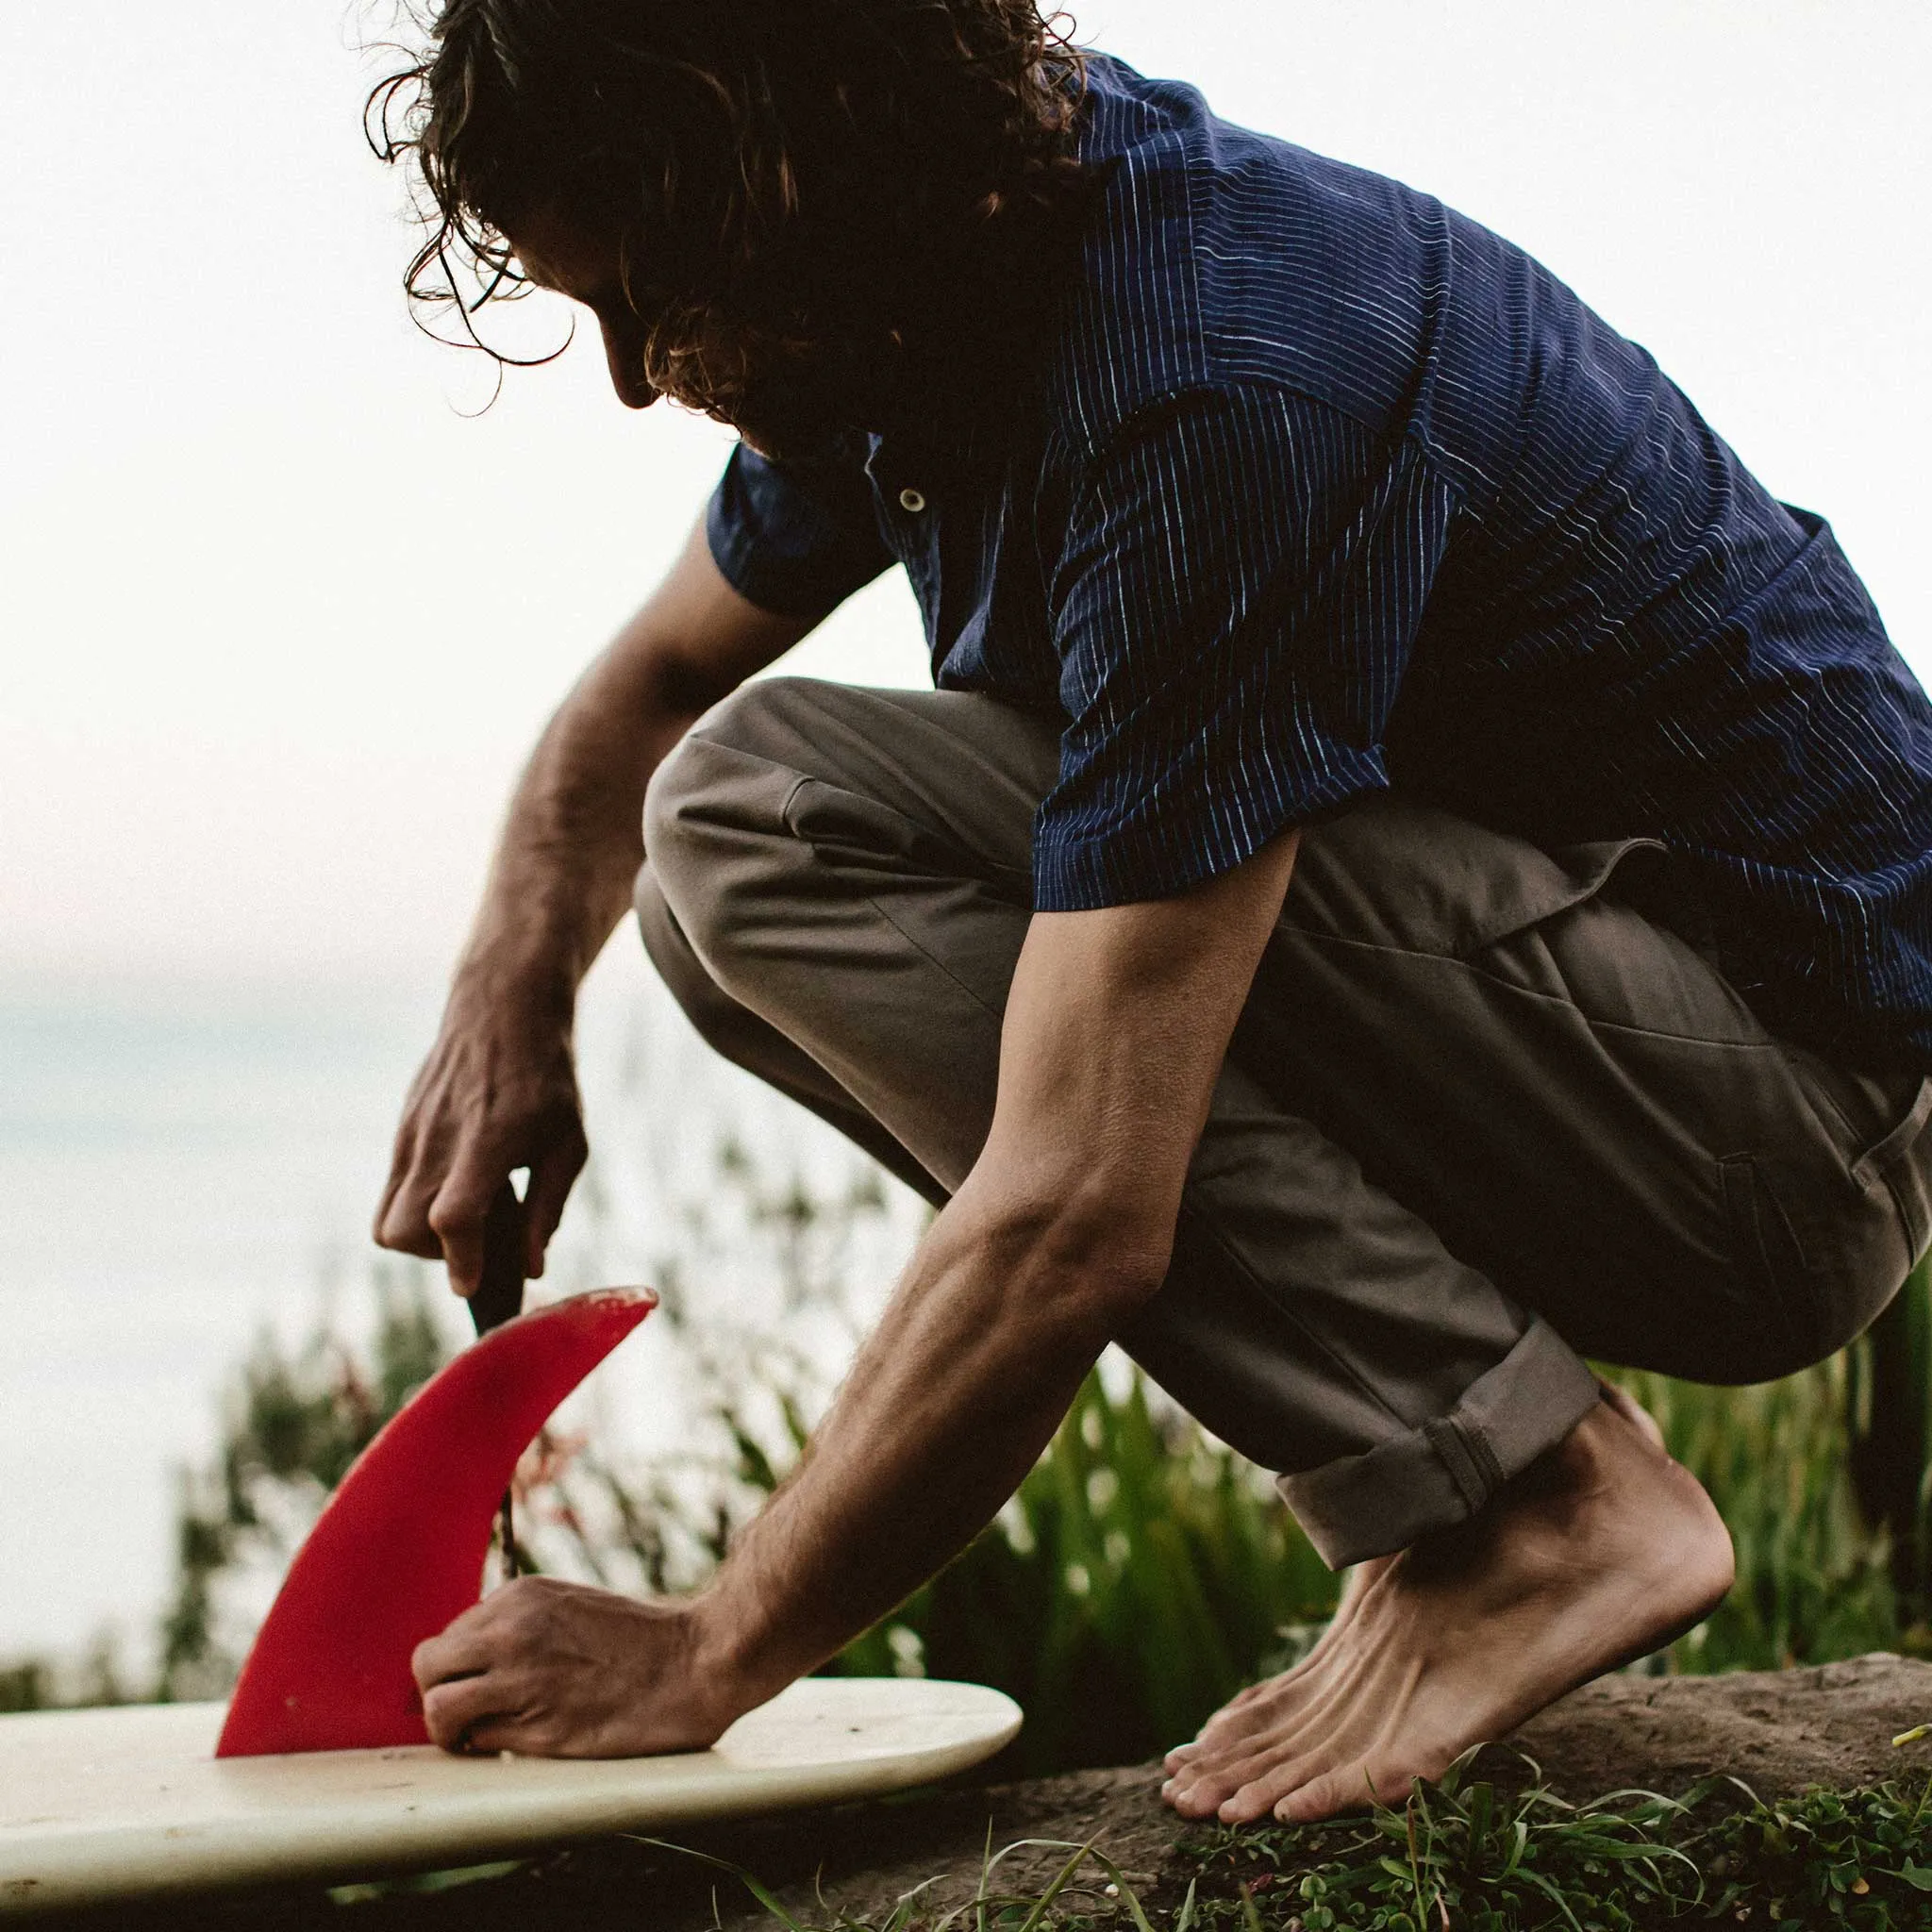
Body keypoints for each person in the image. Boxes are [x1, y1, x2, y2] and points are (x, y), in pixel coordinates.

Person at [370, 0, 1932, 1824]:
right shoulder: (911, 287)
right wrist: (511, 1008)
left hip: (1774, 1126)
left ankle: (1539, 1504)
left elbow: (1075, 1210)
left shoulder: (1212, 367)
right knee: (719, 893)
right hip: (1630, 1069)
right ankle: (1492, 1481)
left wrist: (714, 1647)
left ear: (789, 171)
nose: (640, 373)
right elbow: (630, 699)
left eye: (651, 295)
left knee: (756, 825)